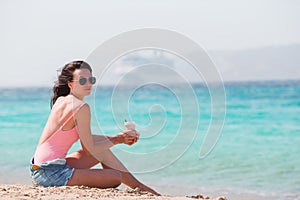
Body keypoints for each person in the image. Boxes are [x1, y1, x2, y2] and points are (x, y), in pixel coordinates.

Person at [30, 60, 159, 195]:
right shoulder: (81, 107)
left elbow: (88, 141)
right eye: (82, 81)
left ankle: (139, 186)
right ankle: (140, 187)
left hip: (39, 169)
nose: (88, 84)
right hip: (51, 174)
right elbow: (89, 149)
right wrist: (117, 140)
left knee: (103, 151)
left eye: (91, 80)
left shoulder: (62, 100)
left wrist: (119, 138)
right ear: (70, 84)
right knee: (115, 177)